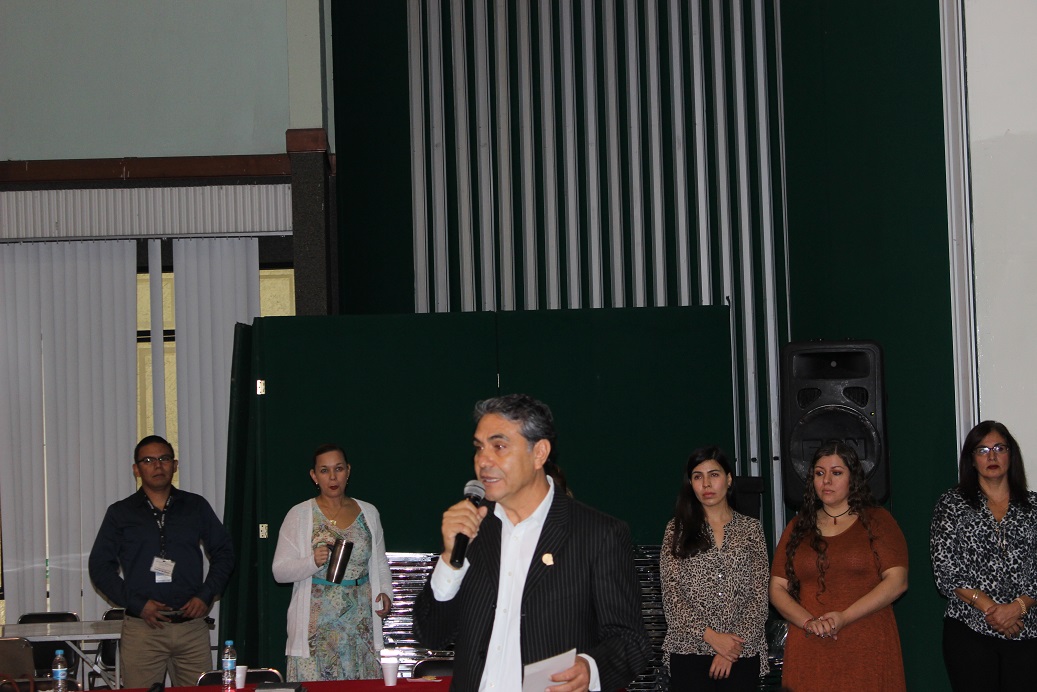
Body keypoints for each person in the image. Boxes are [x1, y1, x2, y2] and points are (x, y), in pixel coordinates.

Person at [413, 394, 651, 691]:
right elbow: (430, 635)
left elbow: (631, 641)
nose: (483, 461)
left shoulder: (598, 534)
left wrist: (590, 668)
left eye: (499, 447)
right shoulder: (471, 529)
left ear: (539, 453)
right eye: (479, 447)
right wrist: (450, 560)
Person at [88, 435, 235, 688]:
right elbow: (100, 567)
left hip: (191, 628)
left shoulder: (195, 506)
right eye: (148, 460)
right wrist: (137, 604)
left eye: (164, 459)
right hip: (144, 629)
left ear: (174, 465)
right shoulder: (120, 513)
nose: (157, 465)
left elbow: (225, 552)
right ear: (136, 469)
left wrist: (206, 595)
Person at [769, 441, 908, 691]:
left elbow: (897, 581)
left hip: (866, 644)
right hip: (809, 644)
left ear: (852, 477)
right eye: (819, 473)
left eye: (836, 473)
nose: (826, 481)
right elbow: (777, 587)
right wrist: (808, 621)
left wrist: (844, 617)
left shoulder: (877, 521)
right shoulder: (798, 526)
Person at [930, 420, 1037, 690]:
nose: (992, 456)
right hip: (969, 630)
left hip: (1027, 630)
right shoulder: (951, 505)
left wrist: (1017, 608)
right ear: (971, 460)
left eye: (999, 448)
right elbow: (946, 570)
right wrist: (994, 611)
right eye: (982, 450)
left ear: (1011, 455)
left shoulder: (1034, 507)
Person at [272, 443, 392, 681]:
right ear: (314, 476)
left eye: (338, 468)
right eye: (324, 470)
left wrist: (386, 591)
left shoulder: (369, 512)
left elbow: (379, 561)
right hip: (316, 627)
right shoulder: (300, 514)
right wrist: (311, 562)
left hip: (360, 623)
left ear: (348, 471)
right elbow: (279, 571)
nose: (333, 477)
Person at [660, 447, 769, 690]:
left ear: (729, 479)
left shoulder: (751, 530)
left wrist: (730, 649)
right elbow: (672, 596)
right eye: (698, 477)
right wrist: (713, 638)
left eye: (714, 475)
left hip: (742, 652)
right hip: (690, 651)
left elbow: (759, 596)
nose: (706, 484)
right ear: (690, 483)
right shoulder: (676, 530)